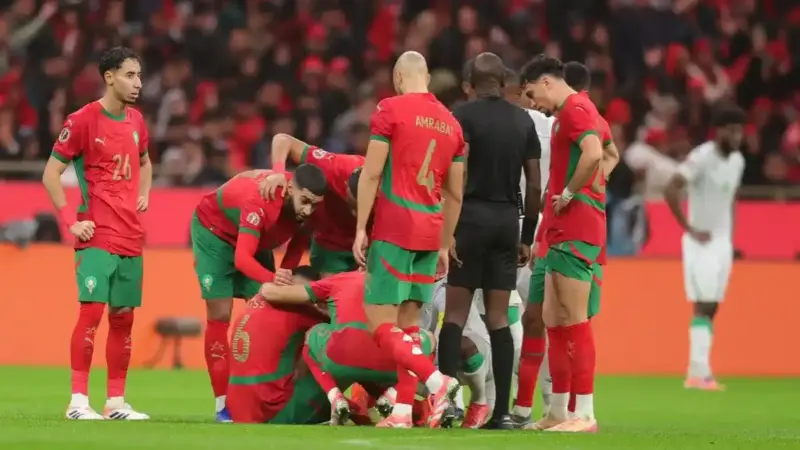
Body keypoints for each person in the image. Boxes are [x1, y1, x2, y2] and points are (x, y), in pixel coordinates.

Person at [352, 50, 464, 429]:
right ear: (426, 77)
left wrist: (361, 228)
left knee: (381, 325)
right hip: (430, 233)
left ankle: (437, 382)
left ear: (399, 78)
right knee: (410, 325)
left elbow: (371, 174)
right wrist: (445, 242)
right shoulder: (452, 124)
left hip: (394, 228)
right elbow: (455, 193)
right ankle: (401, 411)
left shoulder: (390, 109)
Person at [42, 46, 152, 421]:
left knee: (124, 317)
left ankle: (116, 403)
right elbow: (51, 173)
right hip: (97, 233)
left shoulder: (137, 121)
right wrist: (70, 222)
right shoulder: (83, 120)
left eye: (139, 76)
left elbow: (145, 162)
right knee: (91, 313)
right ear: (109, 77)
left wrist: (144, 194)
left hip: (131, 235)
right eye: (130, 75)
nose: (138, 83)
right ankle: (77, 402)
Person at [513, 61, 619, 427]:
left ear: (546, 82)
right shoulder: (567, 115)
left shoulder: (576, 109)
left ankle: (585, 412)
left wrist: (576, 193)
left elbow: (595, 152)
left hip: (577, 226)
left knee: (574, 319)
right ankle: (558, 410)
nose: (532, 102)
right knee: (554, 320)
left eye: (532, 93)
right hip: (559, 228)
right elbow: (610, 154)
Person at [440, 53, 541, 430]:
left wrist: (449, 231)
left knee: (454, 315)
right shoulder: (522, 120)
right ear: (502, 80)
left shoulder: (461, 117)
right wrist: (526, 236)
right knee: (499, 318)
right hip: (506, 221)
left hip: (469, 218)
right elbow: (534, 185)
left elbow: (457, 174)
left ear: (471, 81)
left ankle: (445, 405)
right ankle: (502, 413)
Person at [191, 165, 326, 421]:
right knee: (220, 315)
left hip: (255, 237)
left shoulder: (307, 207)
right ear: (289, 189)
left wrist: (283, 281)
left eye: (314, 204)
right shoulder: (261, 201)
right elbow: (242, 259)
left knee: (272, 307)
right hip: (215, 234)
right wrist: (273, 279)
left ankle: (274, 393)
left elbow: (295, 250)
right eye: (305, 201)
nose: (308, 210)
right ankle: (222, 405)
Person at [259, 271, 437, 426]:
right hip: (392, 365)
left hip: (341, 359)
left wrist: (269, 282)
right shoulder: (400, 282)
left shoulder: (340, 279)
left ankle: (334, 396)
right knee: (427, 338)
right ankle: (394, 394)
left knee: (316, 332)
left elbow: (271, 293)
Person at [664, 105, 746, 391]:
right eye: (732, 130)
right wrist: (689, 227)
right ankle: (699, 372)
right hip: (701, 242)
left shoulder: (737, 161)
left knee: (713, 306)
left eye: (740, 130)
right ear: (718, 131)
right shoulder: (701, 157)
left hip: (722, 243)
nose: (737, 136)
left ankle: (699, 370)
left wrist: (731, 237)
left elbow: (731, 199)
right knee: (705, 303)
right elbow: (671, 188)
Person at [226, 266, 328, 424]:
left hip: (235, 410)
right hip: (270, 411)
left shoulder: (252, 302)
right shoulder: (303, 310)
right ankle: (350, 405)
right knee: (327, 343)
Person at [264, 134, 363, 276]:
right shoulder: (336, 167)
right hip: (330, 245)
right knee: (332, 290)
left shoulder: (390, 188)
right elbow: (283, 140)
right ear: (346, 185)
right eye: (352, 205)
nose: (355, 214)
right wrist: (278, 173)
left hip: (370, 246)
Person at [420, 278, 495, 428]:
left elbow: (443, 337)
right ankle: (417, 407)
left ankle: (476, 402)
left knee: (456, 344)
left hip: (478, 356)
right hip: (441, 361)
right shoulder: (410, 285)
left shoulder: (446, 288)